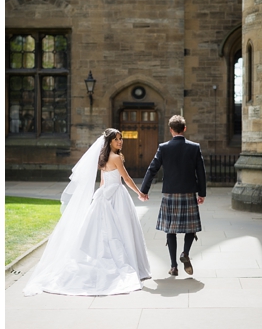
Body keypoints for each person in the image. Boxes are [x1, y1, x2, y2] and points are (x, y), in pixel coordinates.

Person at [23, 128, 151, 296]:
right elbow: (126, 179)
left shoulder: (103, 158)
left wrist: (100, 196)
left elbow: (103, 181)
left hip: (105, 195)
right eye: (116, 139)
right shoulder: (117, 158)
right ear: (109, 142)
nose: (120, 142)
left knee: (102, 232)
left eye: (121, 139)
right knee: (123, 229)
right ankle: (127, 263)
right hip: (117, 196)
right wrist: (140, 193)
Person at [140, 115, 206, 276]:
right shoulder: (194, 147)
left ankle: (173, 266)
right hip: (189, 192)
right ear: (184, 128)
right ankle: (185, 253)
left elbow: (152, 169)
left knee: (171, 230)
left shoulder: (163, 147)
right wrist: (202, 193)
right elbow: (201, 172)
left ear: (171, 130)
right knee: (191, 227)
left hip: (170, 194)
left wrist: (144, 190)